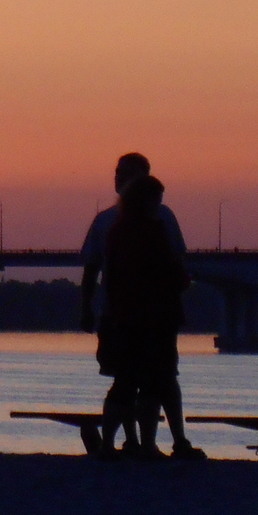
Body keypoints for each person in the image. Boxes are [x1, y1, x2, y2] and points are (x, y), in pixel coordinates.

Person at [79, 152, 187, 453]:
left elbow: (95, 270)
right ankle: (141, 442)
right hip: (137, 315)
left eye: (126, 173)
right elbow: (92, 269)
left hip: (130, 315)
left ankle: (142, 442)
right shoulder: (117, 223)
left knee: (142, 380)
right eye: (118, 172)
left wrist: (89, 307)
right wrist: (87, 307)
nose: (119, 177)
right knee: (141, 380)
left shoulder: (147, 220)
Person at [100, 174, 205, 460]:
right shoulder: (153, 231)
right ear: (147, 200)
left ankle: (106, 444)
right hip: (157, 317)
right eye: (157, 198)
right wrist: (182, 280)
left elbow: (110, 276)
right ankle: (149, 445)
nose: (159, 204)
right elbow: (171, 270)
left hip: (125, 317)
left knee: (124, 382)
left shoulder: (116, 231)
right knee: (156, 381)